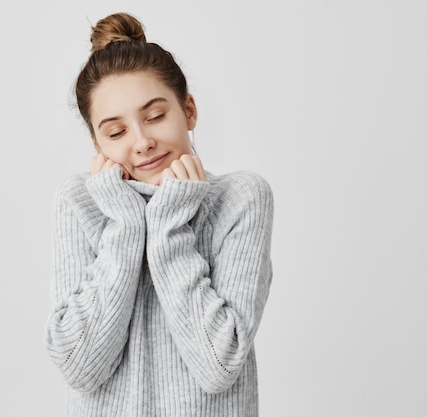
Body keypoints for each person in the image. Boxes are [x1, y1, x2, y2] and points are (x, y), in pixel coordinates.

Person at [45, 11, 274, 417]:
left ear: (188, 110)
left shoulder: (240, 199)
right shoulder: (79, 201)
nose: (142, 142)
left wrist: (168, 226)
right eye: (116, 132)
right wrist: (126, 225)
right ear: (97, 141)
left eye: (155, 117)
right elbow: (80, 368)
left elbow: (218, 366)